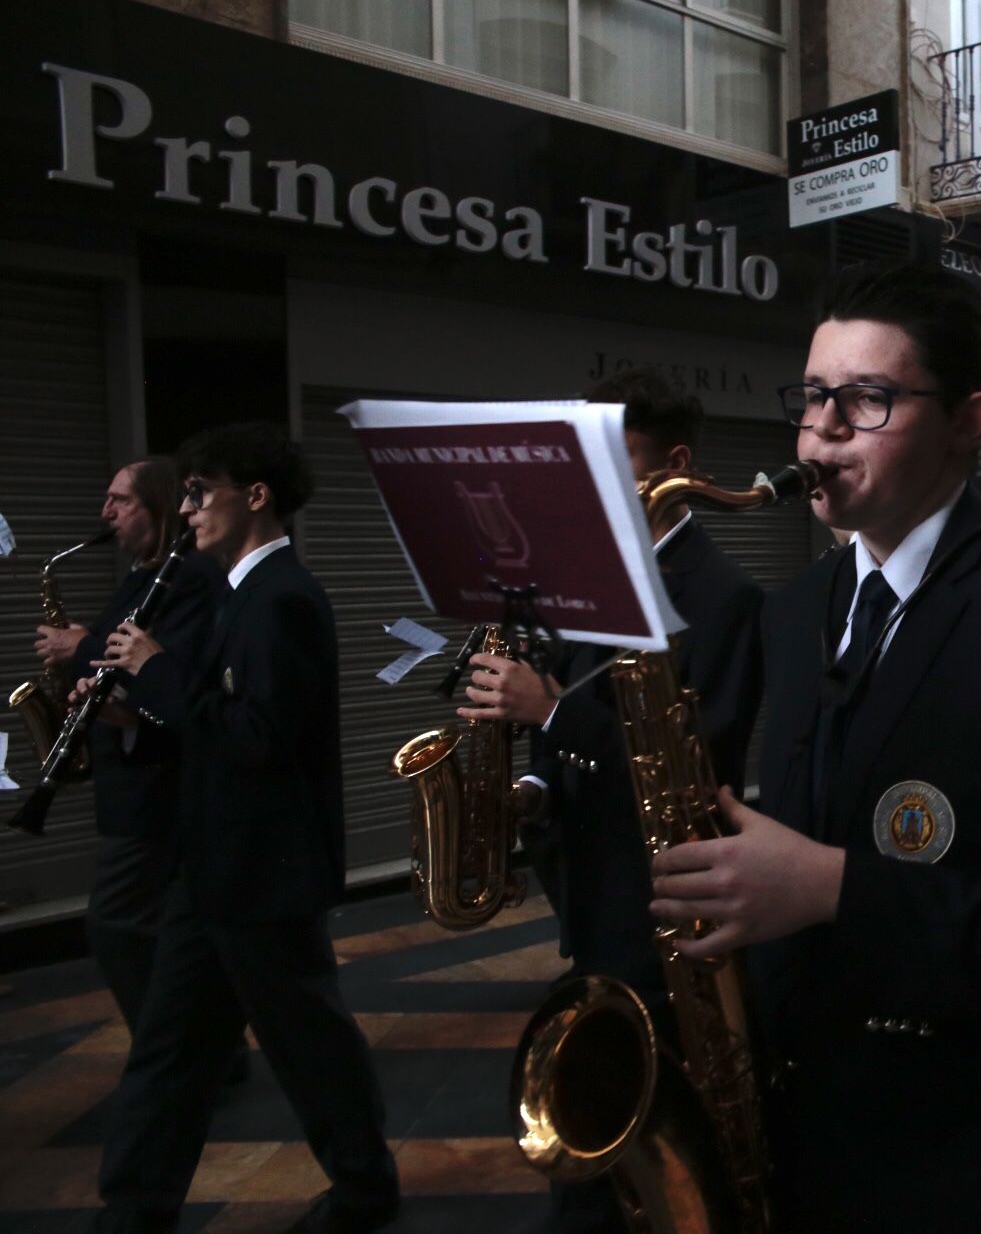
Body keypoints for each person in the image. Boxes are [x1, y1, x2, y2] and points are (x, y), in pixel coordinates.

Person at [645, 258, 981, 1232]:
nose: (821, 431)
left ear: (973, 421)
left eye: (869, 399)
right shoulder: (795, 609)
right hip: (800, 1129)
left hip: (976, 1159)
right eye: (811, 397)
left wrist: (834, 887)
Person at [455, 372, 766, 1234]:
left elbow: (702, 768)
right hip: (592, 892)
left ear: (676, 464)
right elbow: (575, 730)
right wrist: (530, 787)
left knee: (649, 1130)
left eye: (614, 461)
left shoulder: (726, 595)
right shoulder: (591, 583)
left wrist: (549, 710)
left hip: (662, 902)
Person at [90, 424, 400, 1233]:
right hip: (214, 864)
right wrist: (141, 705)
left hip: (263, 872)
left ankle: (365, 1190)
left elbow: (258, 737)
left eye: (201, 493)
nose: (187, 511)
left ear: (254, 496)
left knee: (308, 1045)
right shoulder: (236, 594)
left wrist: (157, 670)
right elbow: (213, 722)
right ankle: (133, 1208)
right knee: (171, 1047)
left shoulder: (285, 598)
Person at [31, 460, 222, 1040]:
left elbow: (176, 673)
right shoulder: (142, 576)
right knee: (166, 928)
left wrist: (82, 644)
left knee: (116, 924)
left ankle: (171, 1051)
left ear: (160, 508)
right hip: (130, 775)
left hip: (158, 785)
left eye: (120, 501)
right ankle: (206, 1048)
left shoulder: (188, 578)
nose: (105, 513)